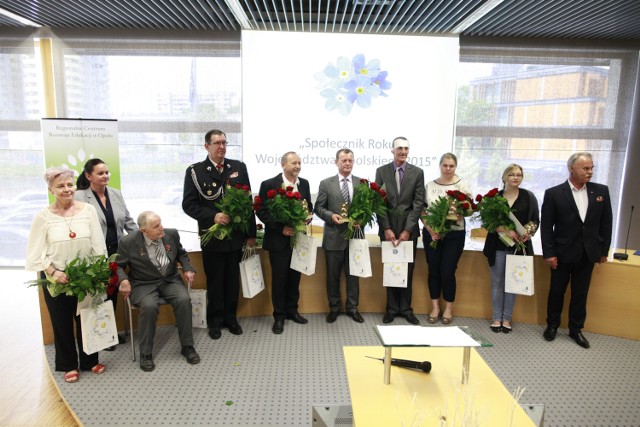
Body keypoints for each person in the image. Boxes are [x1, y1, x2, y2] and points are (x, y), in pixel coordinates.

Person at [26, 167, 108, 383]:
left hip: (86, 277)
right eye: (60, 186)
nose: (67, 189)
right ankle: (68, 364)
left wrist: (100, 271)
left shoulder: (88, 210)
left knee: (87, 319)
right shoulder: (43, 217)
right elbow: (34, 254)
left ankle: (90, 361)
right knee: (61, 323)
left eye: (69, 185)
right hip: (57, 279)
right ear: (51, 189)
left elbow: (98, 244)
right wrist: (53, 272)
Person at [182, 129, 256, 340]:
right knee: (215, 280)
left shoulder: (238, 167)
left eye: (224, 143)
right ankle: (214, 321)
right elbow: (188, 205)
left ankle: (231, 319)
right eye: (217, 143)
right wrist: (212, 216)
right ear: (207, 146)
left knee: (233, 280)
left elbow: (248, 201)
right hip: (212, 237)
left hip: (235, 237)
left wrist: (250, 233)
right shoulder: (196, 171)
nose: (221, 147)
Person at [541, 152, 612, 349]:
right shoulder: (554, 193)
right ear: (572, 168)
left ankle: (575, 329)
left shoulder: (601, 191)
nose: (590, 172)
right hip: (562, 253)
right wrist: (549, 253)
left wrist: (603, 250)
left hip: (588, 253)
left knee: (580, 293)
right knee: (557, 291)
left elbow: (606, 223)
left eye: (591, 168)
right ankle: (552, 325)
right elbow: (547, 227)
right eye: (585, 168)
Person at [116, 211, 200, 371]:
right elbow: (118, 265)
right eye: (156, 227)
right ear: (143, 231)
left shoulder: (171, 234)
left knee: (183, 300)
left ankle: (187, 346)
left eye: (160, 223)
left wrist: (188, 268)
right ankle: (145, 353)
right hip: (143, 283)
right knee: (149, 307)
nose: (161, 228)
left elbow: (182, 254)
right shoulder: (128, 242)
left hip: (170, 280)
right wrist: (124, 279)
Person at [75, 158, 138, 350]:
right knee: (96, 294)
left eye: (107, 172)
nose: (105, 176)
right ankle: (98, 334)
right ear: (88, 176)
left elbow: (128, 221)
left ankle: (109, 332)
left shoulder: (116, 194)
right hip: (94, 255)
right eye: (100, 173)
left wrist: (141, 238)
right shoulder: (78, 197)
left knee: (112, 293)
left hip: (117, 253)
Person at [257, 152, 313, 334]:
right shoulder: (269, 185)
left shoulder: (303, 184)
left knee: (295, 278)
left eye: (299, 162)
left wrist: (307, 218)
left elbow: (308, 206)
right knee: (280, 279)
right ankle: (279, 316)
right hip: (278, 241)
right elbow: (262, 211)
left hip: (298, 240)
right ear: (283, 165)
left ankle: (292, 311)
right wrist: (280, 228)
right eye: (293, 163)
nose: (297, 166)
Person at [482, 164, 539, 333]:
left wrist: (528, 233)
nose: (516, 177)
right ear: (504, 177)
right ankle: (496, 317)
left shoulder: (529, 197)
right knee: (497, 282)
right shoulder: (494, 198)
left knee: (513, 284)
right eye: (512, 174)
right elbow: (487, 222)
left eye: (519, 175)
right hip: (497, 246)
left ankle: (507, 319)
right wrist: (505, 230)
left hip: (519, 248)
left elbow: (535, 220)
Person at [375, 137, 424, 325]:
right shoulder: (381, 171)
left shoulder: (418, 173)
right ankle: (391, 309)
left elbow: (418, 203)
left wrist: (407, 230)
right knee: (390, 269)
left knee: (407, 271)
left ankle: (406, 309)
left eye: (406, 148)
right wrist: (386, 228)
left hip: (408, 232)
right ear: (392, 151)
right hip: (388, 231)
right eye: (399, 148)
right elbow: (379, 202)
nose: (403, 151)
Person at [314, 149, 364, 324]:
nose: (347, 163)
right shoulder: (326, 183)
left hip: (355, 237)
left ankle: (352, 308)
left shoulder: (362, 183)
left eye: (350, 160)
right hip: (334, 236)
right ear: (336, 162)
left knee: (353, 275)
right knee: (332, 276)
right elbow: (318, 207)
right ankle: (334, 308)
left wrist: (362, 220)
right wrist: (330, 216)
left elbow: (368, 209)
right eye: (344, 160)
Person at [422, 153, 472, 325]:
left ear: (455, 167)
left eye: (451, 166)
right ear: (440, 166)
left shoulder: (462, 186)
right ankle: (435, 307)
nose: (448, 169)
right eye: (445, 165)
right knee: (434, 270)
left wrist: (460, 214)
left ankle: (449, 309)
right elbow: (422, 212)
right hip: (432, 234)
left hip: (455, 235)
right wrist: (430, 230)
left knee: (448, 272)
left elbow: (470, 209)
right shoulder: (429, 186)